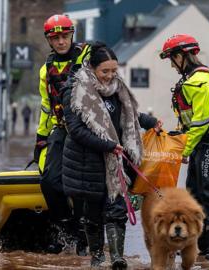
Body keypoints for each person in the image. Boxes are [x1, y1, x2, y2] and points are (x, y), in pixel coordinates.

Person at [61, 43, 162, 268]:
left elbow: (131, 115)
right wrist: (107, 145)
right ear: (91, 67)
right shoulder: (75, 90)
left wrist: (151, 123)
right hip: (88, 162)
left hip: (116, 160)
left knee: (117, 211)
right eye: (104, 71)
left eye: (114, 71)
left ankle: (117, 258)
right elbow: (76, 130)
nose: (110, 76)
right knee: (93, 213)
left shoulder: (118, 87)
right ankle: (97, 258)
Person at [159, 34, 209, 261]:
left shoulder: (199, 81)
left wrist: (183, 150)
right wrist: (178, 141)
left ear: (180, 56)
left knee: (208, 193)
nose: (172, 66)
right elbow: (188, 120)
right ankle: (201, 248)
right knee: (194, 194)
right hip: (202, 143)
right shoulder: (192, 79)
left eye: (172, 60)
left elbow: (201, 122)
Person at [34, 14, 91, 254]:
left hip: (86, 130)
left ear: (72, 36)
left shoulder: (87, 59)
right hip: (60, 129)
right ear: (48, 40)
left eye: (65, 36)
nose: (60, 42)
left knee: (79, 183)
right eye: (55, 38)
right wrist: (40, 137)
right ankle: (64, 227)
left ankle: (83, 233)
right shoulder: (45, 70)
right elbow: (47, 106)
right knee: (49, 181)